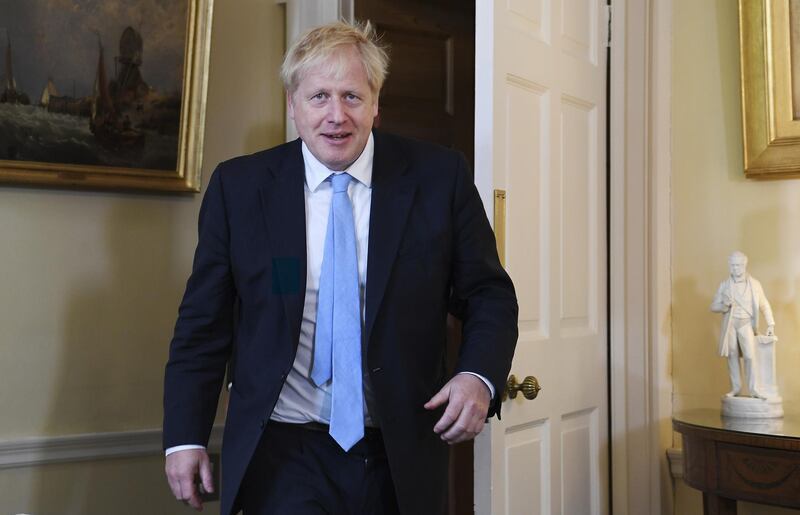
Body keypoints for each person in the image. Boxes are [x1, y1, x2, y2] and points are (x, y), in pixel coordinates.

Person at [163, 20, 518, 515]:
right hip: (283, 453)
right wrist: (184, 437)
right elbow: (203, 326)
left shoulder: (440, 178)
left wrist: (478, 376)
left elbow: (489, 295)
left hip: (400, 453)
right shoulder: (239, 189)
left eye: (352, 96)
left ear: (376, 103)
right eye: (319, 97)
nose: (336, 116)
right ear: (293, 105)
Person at [710, 251, 774, 399]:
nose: (735, 268)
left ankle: (753, 389)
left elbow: (764, 304)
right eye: (732, 265)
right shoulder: (724, 285)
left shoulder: (755, 284)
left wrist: (770, 323)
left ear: (745, 265)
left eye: (738, 265)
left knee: (750, 356)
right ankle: (736, 388)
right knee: (732, 355)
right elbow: (713, 306)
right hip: (731, 324)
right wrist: (724, 305)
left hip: (746, 323)